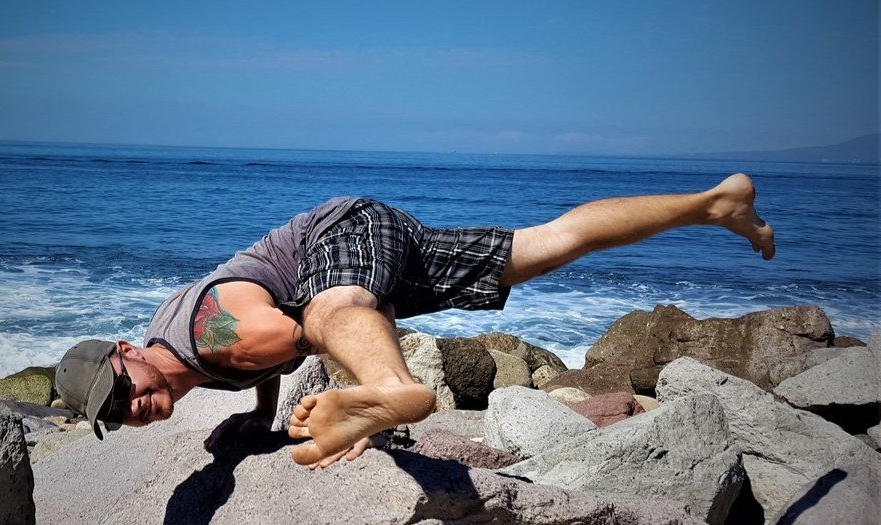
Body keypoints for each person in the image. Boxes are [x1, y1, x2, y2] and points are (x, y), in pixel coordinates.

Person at [56, 173, 774, 470]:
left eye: (121, 389)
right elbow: (258, 355)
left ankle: (397, 390)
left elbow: (302, 329)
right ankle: (716, 203)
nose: (130, 408)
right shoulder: (185, 351)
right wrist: (261, 416)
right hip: (364, 249)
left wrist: (367, 394)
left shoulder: (210, 333)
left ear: (126, 350)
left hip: (342, 235)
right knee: (542, 246)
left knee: (332, 311)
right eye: (113, 414)